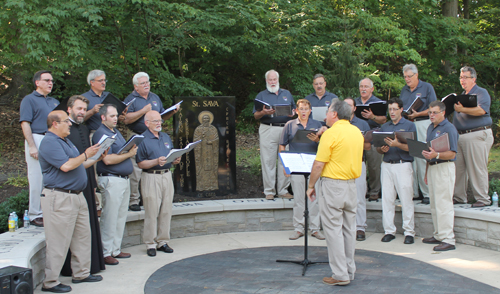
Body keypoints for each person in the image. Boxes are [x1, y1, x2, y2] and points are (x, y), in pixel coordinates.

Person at [38, 110, 103, 293]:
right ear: (55, 124)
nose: (69, 124)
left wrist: (96, 155)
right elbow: (66, 166)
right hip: (59, 197)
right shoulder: (49, 142)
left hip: (77, 196)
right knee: (58, 241)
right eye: (66, 121)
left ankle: (81, 273)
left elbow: (80, 164)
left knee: (82, 236)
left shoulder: (65, 141)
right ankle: (50, 282)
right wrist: (85, 154)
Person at [306, 98, 363, 286]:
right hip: (351, 185)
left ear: (335, 114)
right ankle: (349, 270)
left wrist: (311, 186)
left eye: (328, 111)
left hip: (333, 185)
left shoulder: (331, 134)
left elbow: (319, 164)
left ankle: (340, 274)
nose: (326, 115)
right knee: (349, 229)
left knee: (333, 231)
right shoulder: (357, 132)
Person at [61, 95, 105, 276]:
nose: (82, 112)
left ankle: (90, 266)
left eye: (84, 109)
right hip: (70, 184)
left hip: (86, 181)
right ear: (69, 109)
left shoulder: (85, 127)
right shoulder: (63, 131)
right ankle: (70, 268)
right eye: (78, 108)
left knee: (88, 226)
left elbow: (88, 160)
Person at [124, 72, 178, 211]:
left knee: (154, 163)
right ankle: (133, 200)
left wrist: (172, 112)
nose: (146, 85)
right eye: (143, 83)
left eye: (147, 82)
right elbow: (126, 119)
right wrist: (143, 111)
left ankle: (146, 198)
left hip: (154, 136)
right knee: (136, 169)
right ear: (136, 87)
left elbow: (161, 117)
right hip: (137, 135)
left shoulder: (154, 97)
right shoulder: (131, 99)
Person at [93, 104, 137, 265]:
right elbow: (107, 159)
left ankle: (115, 249)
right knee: (110, 217)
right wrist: (130, 154)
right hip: (111, 178)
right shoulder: (101, 134)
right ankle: (105, 252)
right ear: (103, 117)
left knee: (120, 216)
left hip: (123, 179)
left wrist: (128, 151)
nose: (115, 118)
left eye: (116, 115)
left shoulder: (116, 132)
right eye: (111, 116)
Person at [136, 111, 181, 257]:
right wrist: (156, 161)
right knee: (152, 211)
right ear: (146, 123)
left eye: (160, 120)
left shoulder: (165, 137)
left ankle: (163, 241)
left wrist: (175, 160)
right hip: (151, 177)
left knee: (166, 210)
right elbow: (140, 163)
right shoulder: (142, 139)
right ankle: (150, 243)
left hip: (167, 176)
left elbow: (170, 154)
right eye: (155, 121)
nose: (159, 123)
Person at [279, 99, 325, 241]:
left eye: (306, 109)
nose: (304, 111)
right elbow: (282, 145)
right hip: (296, 166)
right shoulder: (290, 125)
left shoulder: (317, 125)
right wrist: (285, 166)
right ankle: (299, 228)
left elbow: (326, 145)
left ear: (310, 111)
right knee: (299, 199)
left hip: (313, 166)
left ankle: (315, 229)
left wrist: (318, 140)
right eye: (301, 109)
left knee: (314, 199)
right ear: (296, 110)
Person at [19, 70, 60, 227]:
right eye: (47, 80)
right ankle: (35, 213)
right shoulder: (29, 100)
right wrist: (31, 146)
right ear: (37, 82)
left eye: (52, 80)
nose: (50, 83)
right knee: (37, 177)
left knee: (53, 176)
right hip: (37, 137)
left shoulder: (54, 102)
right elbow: (25, 123)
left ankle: (49, 211)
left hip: (53, 139)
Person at [376, 98, 416, 244]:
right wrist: (383, 148)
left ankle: (409, 232)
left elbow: (413, 148)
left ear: (401, 109)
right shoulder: (384, 126)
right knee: (387, 199)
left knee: (406, 198)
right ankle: (389, 231)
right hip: (387, 164)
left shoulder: (409, 125)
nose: (392, 112)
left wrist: (397, 144)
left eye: (394, 109)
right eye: (390, 109)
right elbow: (378, 149)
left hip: (403, 164)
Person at [453, 66, 493, 207]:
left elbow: (481, 110)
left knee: (477, 168)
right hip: (460, 136)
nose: (462, 80)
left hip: (476, 134)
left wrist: (461, 109)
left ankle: (482, 199)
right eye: (460, 77)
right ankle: (459, 197)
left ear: (473, 79)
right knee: (459, 168)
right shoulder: (462, 95)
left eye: (465, 77)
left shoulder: (481, 92)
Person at [253, 70, 296, 200]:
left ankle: (283, 190)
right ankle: (269, 191)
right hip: (268, 129)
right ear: (266, 81)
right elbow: (255, 115)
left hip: (285, 128)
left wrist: (292, 113)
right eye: (270, 80)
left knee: (285, 160)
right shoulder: (261, 95)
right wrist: (264, 112)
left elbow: (295, 111)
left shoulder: (286, 94)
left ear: (278, 80)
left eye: (274, 80)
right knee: (268, 160)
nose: (272, 82)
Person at [422, 101, 459, 251]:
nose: (431, 115)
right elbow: (428, 150)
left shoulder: (449, 128)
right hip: (432, 167)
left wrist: (436, 154)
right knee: (434, 204)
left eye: (435, 112)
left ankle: (448, 239)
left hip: (444, 167)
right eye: (430, 112)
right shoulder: (431, 127)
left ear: (443, 113)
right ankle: (438, 234)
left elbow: (453, 153)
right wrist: (426, 171)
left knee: (444, 203)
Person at [399, 64, 437, 204]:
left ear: (416, 75)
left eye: (409, 76)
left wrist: (418, 113)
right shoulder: (404, 90)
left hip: (422, 122)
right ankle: (413, 192)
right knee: (410, 156)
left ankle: (426, 192)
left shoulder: (427, 87)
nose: (407, 79)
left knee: (422, 155)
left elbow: (434, 108)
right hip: (408, 124)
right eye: (405, 77)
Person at [355, 78, 386, 201]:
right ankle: (362, 190)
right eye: (361, 86)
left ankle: (374, 190)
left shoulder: (378, 102)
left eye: (366, 86)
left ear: (372, 89)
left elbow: (383, 120)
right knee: (359, 164)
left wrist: (372, 116)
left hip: (373, 135)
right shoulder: (355, 102)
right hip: (357, 136)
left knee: (374, 165)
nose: (363, 89)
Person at [344, 98, 371, 241]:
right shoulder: (337, 123)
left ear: (355, 108)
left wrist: (358, 139)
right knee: (344, 198)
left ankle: (360, 227)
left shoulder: (362, 124)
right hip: (341, 165)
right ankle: (347, 227)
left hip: (358, 163)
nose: (347, 108)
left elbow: (368, 147)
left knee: (359, 197)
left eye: (350, 105)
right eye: (345, 105)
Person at [193, 112, 219, 191]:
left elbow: (216, 139)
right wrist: (201, 138)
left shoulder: (213, 129)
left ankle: (212, 186)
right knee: (202, 169)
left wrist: (212, 142)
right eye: (204, 118)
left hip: (211, 152)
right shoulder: (198, 129)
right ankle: (201, 186)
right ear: (202, 120)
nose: (206, 120)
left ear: (209, 120)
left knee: (211, 169)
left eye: (207, 118)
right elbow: (195, 140)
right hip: (202, 152)